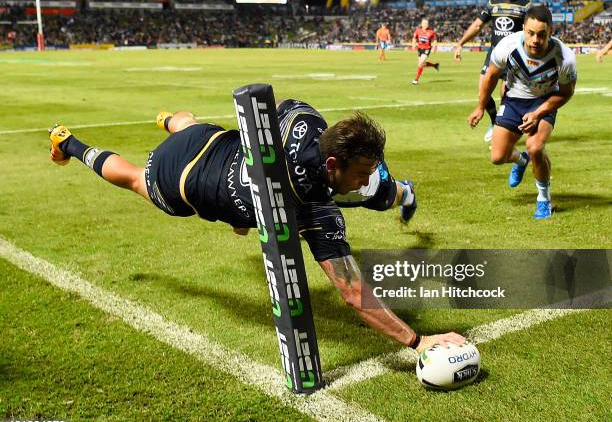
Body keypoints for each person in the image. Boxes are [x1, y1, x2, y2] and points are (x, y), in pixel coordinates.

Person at [48, 99, 465, 353]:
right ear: (333, 164)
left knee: (187, 125)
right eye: (361, 172)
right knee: (133, 177)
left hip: (209, 142)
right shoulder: (314, 208)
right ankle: (70, 144)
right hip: (180, 182)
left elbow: (278, 107)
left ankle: (167, 121)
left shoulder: (308, 126)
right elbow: (354, 293)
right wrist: (418, 341)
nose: (362, 179)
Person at [467, 5, 577, 219]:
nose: (535, 39)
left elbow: (566, 93)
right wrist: (481, 106)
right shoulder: (507, 46)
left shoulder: (564, 57)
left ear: (551, 32)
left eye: (542, 35)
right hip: (514, 100)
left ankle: (543, 200)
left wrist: (538, 113)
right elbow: (490, 77)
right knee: (497, 157)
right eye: (531, 33)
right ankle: (521, 161)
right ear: (524, 28)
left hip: (544, 101)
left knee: (535, 146)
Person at [454, 0, 531, 142]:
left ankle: (503, 131)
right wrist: (460, 43)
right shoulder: (492, 3)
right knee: (483, 90)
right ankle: (494, 121)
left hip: (515, 55)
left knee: (506, 96)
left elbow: (531, 30)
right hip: (495, 53)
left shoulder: (526, 5)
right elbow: (477, 25)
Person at [411, 18, 439, 85]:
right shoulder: (418, 31)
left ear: (428, 24)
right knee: (422, 64)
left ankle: (416, 79)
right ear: (421, 24)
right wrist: (413, 45)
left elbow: (435, 40)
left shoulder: (431, 32)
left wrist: (434, 47)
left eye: (426, 23)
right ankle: (434, 65)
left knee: (420, 63)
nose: (425, 25)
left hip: (427, 49)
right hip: (420, 49)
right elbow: (414, 38)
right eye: (424, 23)